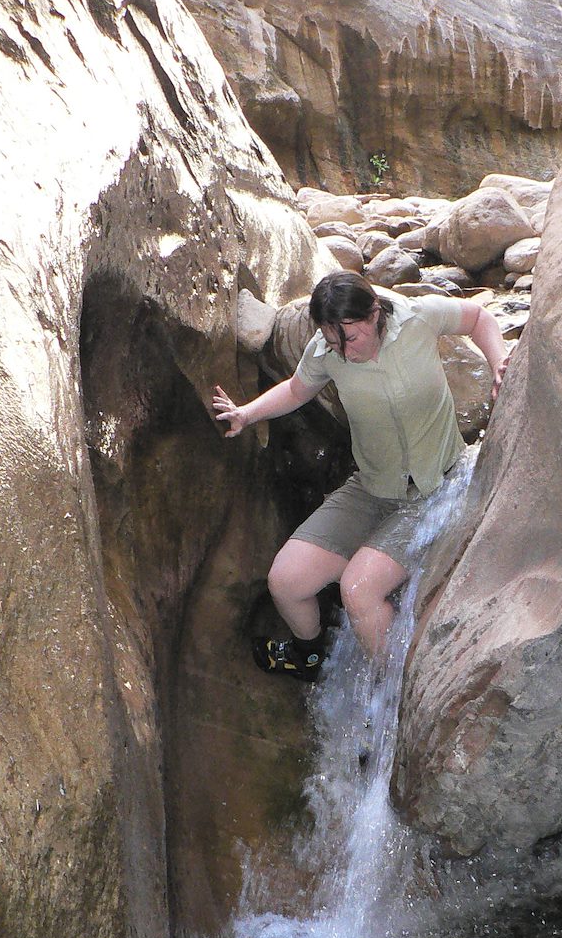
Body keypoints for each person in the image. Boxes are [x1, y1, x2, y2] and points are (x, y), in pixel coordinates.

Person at [212, 271, 511, 679]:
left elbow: (479, 317)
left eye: (349, 339)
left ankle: (395, 699)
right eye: (334, 344)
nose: (344, 353)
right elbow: (297, 390)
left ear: (374, 314)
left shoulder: (418, 318)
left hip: (437, 489)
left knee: (359, 588)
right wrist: (246, 414)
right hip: (372, 489)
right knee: (286, 580)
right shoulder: (326, 351)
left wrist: (499, 363)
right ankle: (310, 656)